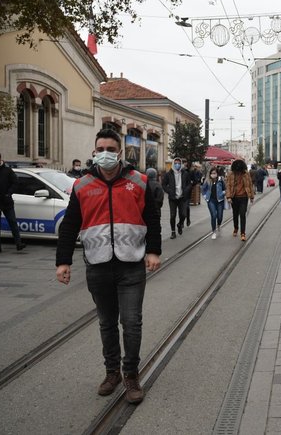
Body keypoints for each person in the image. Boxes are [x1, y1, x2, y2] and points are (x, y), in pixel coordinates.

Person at [55, 128, 161, 404]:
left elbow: (152, 217)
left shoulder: (138, 181)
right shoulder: (82, 185)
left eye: (110, 150)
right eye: (100, 149)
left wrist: (153, 251)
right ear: (94, 153)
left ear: (120, 152)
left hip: (131, 263)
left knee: (132, 322)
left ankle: (131, 375)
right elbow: (69, 226)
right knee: (106, 323)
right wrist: (63, 261)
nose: (105, 154)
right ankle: (111, 371)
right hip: (98, 264)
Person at [0, 152, 26, 253]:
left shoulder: (7, 170)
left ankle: (18, 243)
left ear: (0, 159)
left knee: (12, 222)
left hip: (6, 201)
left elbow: (15, 182)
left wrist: (8, 193)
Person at [162, 157, 192, 239]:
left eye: (179, 163)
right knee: (172, 215)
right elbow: (163, 184)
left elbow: (189, 184)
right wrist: (169, 191)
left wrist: (186, 190)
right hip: (173, 198)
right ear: (173, 164)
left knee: (183, 214)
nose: (177, 165)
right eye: (175, 163)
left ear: (181, 164)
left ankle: (179, 224)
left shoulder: (185, 173)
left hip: (182, 197)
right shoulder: (168, 174)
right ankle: (173, 232)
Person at [225, 159, 254, 241]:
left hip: (244, 197)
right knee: (235, 214)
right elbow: (228, 186)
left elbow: (250, 185)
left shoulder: (246, 174)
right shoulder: (231, 174)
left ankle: (243, 233)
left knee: (242, 214)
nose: (238, 172)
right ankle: (236, 228)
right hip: (234, 197)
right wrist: (229, 197)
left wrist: (251, 196)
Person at [202, 167, 226, 239]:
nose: (213, 174)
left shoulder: (221, 180)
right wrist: (205, 196)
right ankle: (214, 232)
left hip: (220, 201)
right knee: (213, 215)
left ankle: (219, 224)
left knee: (220, 216)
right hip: (211, 200)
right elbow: (203, 189)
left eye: (214, 173)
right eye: (212, 173)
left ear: (217, 174)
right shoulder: (207, 181)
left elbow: (225, 188)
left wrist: (223, 193)